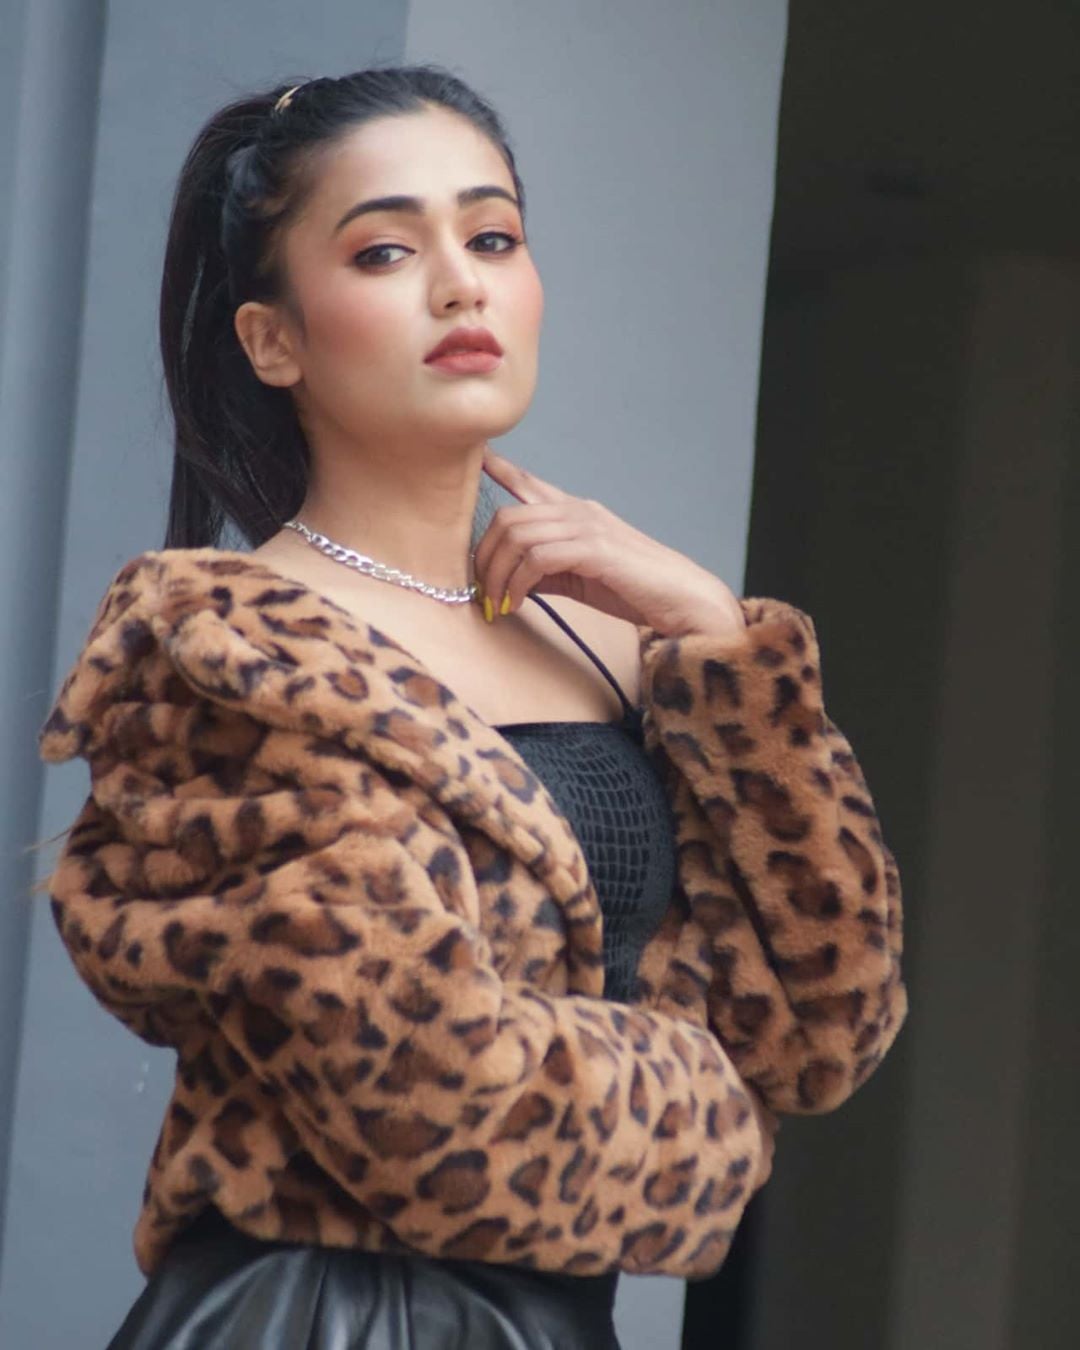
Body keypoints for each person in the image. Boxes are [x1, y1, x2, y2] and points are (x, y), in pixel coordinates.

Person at [37, 65, 908, 1349]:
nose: (461, 285)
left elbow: (824, 1022)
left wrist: (722, 645)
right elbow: (436, 1113)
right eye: (386, 251)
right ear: (274, 340)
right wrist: (721, 1119)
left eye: (492, 237)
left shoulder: (614, 637)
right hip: (329, 1318)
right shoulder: (233, 654)